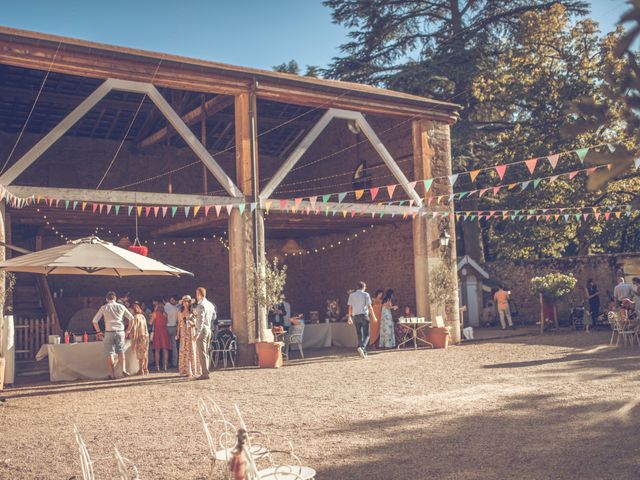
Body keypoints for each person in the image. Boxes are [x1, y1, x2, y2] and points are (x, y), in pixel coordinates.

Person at [92, 291, 134, 379]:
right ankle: (124, 369)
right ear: (115, 298)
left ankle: (111, 373)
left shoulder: (104, 307)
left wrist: (99, 332)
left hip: (109, 332)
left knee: (110, 353)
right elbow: (132, 318)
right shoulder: (121, 306)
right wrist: (128, 330)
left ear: (106, 299)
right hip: (120, 331)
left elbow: (94, 321)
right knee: (121, 351)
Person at [347, 281, 378, 359]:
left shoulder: (351, 295)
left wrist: (349, 317)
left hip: (355, 317)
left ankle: (363, 352)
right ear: (364, 287)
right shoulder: (366, 294)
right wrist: (374, 316)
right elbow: (369, 306)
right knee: (367, 334)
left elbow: (350, 307)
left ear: (357, 287)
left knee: (359, 334)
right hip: (364, 316)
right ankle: (362, 347)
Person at [194, 287, 216, 380]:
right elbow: (214, 316)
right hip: (209, 329)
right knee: (206, 351)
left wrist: (197, 333)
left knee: (202, 352)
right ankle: (206, 370)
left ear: (199, 294)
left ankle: (205, 373)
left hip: (202, 329)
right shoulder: (210, 304)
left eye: (196, 293)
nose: (196, 296)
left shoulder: (201, 305)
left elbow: (201, 321)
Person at [177, 295, 200, 378]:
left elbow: (197, 322)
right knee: (184, 350)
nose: (186, 303)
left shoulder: (193, 311)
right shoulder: (180, 313)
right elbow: (179, 324)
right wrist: (177, 334)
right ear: (182, 303)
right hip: (183, 333)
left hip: (191, 332)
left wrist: (190, 322)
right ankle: (185, 369)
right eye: (184, 302)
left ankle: (192, 370)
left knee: (191, 350)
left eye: (187, 302)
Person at [126, 302, 149, 375]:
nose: (130, 312)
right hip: (145, 335)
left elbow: (134, 329)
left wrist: (130, 336)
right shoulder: (142, 316)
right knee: (145, 353)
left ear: (134, 310)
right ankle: (146, 369)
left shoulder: (134, 317)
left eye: (130, 310)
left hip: (139, 337)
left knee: (140, 354)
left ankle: (140, 370)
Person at [150, 302, 170, 372]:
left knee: (157, 350)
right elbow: (166, 322)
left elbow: (150, 322)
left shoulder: (155, 313)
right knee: (165, 349)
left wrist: (153, 313)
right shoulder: (165, 314)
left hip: (157, 332)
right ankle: (165, 366)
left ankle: (157, 366)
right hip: (164, 331)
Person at [164, 295, 180, 368]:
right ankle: (174, 362)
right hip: (174, 327)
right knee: (174, 346)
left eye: (172, 300)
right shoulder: (177, 308)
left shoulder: (167, 305)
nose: (171, 301)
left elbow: (164, 315)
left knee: (166, 346)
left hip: (167, 327)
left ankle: (166, 363)